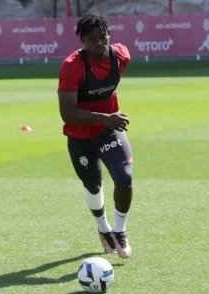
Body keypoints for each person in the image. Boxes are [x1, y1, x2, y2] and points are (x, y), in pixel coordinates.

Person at [57, 13, 133, 259]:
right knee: (93, 185)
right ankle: (104, 229)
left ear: (109, 34)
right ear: (82, 41)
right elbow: (67, 113)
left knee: (124, 178)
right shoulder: (71, 66)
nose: (99, 42)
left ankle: (120, 231)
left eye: (103, 36)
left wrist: (107, 121)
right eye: (91, 39)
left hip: (108, 129)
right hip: (80, 134)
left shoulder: (121, 56)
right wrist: (105, 117)